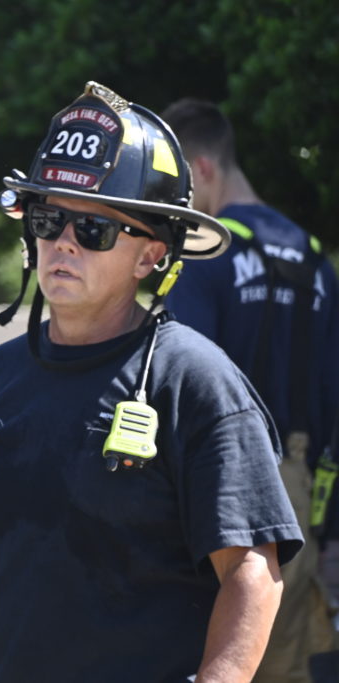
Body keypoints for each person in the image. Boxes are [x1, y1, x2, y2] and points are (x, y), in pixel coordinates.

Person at [0, 81, 303, 682]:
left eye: (93, 229)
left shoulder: (195, 383)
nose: (63, 242)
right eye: (48, 219)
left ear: (150, 256)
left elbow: (251, 571)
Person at [161, 97, 339, 683]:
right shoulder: (315, 259)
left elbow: (177, 384)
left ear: (202, 169)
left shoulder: (204, 255)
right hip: (303, 497)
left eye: (178, 187)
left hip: (220, 492)